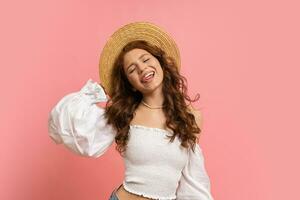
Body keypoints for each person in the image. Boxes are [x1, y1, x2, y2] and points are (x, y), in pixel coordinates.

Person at [48, 21, 214, 200]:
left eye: (146, 59)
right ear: (131, 84)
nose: (142, 69)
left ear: (161, 63)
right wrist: (97, 92)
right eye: (132, 70)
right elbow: (66, 122)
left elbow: (192, 181)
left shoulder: (191, 117)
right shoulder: (125, 114)